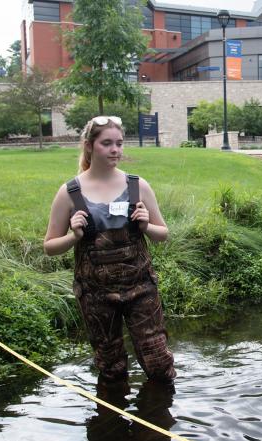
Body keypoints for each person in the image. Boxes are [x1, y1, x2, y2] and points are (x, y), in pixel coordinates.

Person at [43, 115, 175, 385]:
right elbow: (49, 247)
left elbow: (163, 234)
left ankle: (158, 420)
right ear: (89, 146)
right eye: (107, 143)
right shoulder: (69, 193)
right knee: (111, 368)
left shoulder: (137, 186)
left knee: (159, 363)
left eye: (119, 143)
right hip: (95, 295)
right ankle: (111, 422)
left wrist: (146, 225)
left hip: (141, 289)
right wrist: (73, 236)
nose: (115, 150)